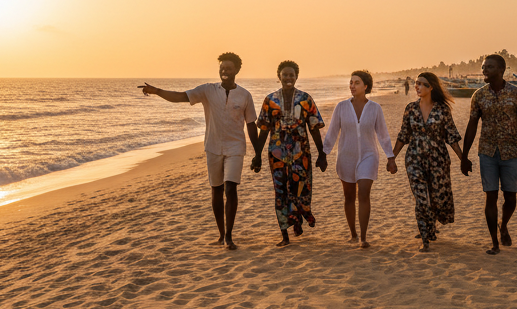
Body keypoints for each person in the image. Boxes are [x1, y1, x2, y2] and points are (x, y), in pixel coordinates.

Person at [140, 52, 259, 251]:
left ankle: (229, 235)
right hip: (212, 146)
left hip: (235, 147)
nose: (224, 71)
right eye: (222, 67)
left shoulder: (245, 95)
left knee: (231, 189)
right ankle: (221, 234)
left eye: (228, 68)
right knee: (217, 189)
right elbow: (180, 97)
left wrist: (257, 153)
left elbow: (251, 124)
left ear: (237, 70)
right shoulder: (207, 90)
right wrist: (156, 91)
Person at [461, 54, 517, 255]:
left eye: (489, 67)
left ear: (501, 69)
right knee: (491, 196)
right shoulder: (478, 95)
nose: (484, 70)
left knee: (511, 197)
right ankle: (494, 242)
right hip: (487, 152)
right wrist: (464, 156)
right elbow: (472, 125)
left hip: (511, 152)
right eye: (483, 67)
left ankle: (503, 225)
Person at [251, 60, 326, 247]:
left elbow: (314, 128)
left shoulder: (305, 99)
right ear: (279, 77)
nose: (288, 78)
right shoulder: (270, 100)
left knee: (301, 189)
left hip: (301, 153)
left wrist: (322, 154)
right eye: (285, 75)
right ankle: (284, 234)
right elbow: (264, 129)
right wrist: (257, 155)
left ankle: (297, 218)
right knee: (280, 191)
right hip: (276, 153)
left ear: (296, 76)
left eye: (291, 75)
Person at [322, 70, 398, 249]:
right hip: (346, 156)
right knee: (349, 197)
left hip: (368, 155)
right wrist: (324, 153)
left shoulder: (375, 108)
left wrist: (390, 157)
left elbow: (383, 134)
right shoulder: (341, 107)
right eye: (351, 82)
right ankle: (353, 234)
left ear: (366, 86)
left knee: (363, 193)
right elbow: (332, 132)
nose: (352, 86)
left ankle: (363, 237)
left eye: (356, 83)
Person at [392, 71, 466, 253]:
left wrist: (463, 158)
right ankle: (424, 237)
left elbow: (451, 136)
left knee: (436, 198)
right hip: (414, 159)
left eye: (421, 83)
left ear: (431, 87)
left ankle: (431, 228)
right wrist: (391, 158)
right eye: (416, 83)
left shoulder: (442, 109)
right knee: (421, 198)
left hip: (438, 160)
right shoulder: (410, 108)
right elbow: (403, 135)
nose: (416, 86)